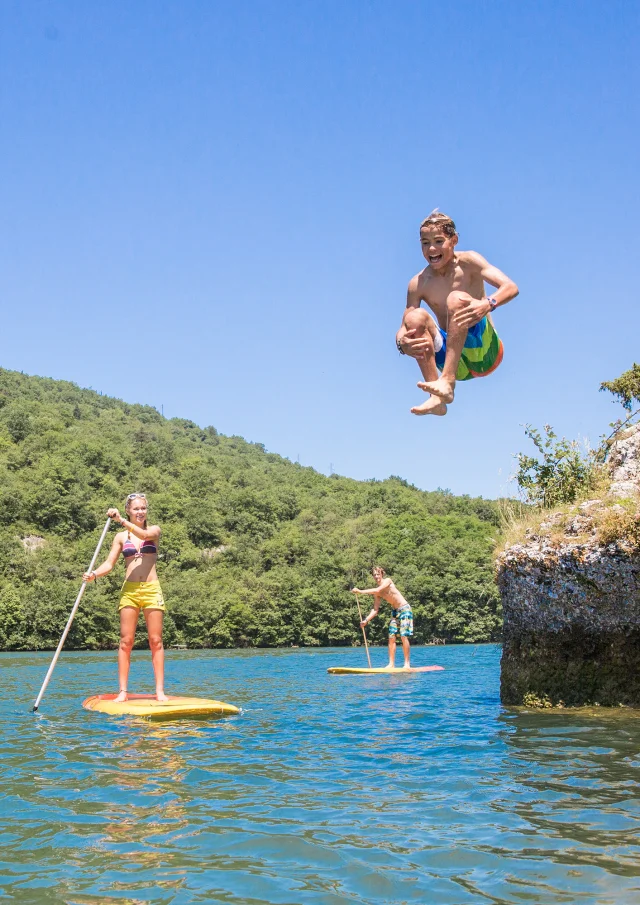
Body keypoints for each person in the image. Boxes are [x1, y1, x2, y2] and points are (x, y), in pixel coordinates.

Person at [395, 210, 519, 416]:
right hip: (452, 359)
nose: (431, 249)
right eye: (425, 243)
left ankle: (447, 382)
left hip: (484, 354)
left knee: (456, 298)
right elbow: (403, 328)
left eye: (438, 241)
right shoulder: (418, 283)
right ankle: (437, 398)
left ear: (454, 240)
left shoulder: (470, 262)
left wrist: (487, 304)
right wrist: (403, 344)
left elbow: (510, 287)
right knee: (414, 317)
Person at [83, 493, 167, 703]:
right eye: (136, 509)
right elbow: (109, 564)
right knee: (126, 641)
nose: (140, 512)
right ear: (129, 510)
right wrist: (94, 574)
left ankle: (159, 691)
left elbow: (145, 535)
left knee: (155, 641)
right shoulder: (121, 537)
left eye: (143, 508)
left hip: (151, 589)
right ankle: (123, 691)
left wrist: (121, 521)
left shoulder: (153, 531)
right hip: (129, 590)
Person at [352, 567, 414, 669]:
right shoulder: (377, 594)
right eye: (374, 575)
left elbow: (377, 589)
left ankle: (407, 664)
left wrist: (360, 591)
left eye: (378, 574)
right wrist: (366, 620)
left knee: (403, 636)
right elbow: (375, 610)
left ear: (382, 574)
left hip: (404, 609)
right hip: (395, 612)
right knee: (391, 637)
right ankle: (391, 664)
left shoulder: (388, 581)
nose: (376, 576)